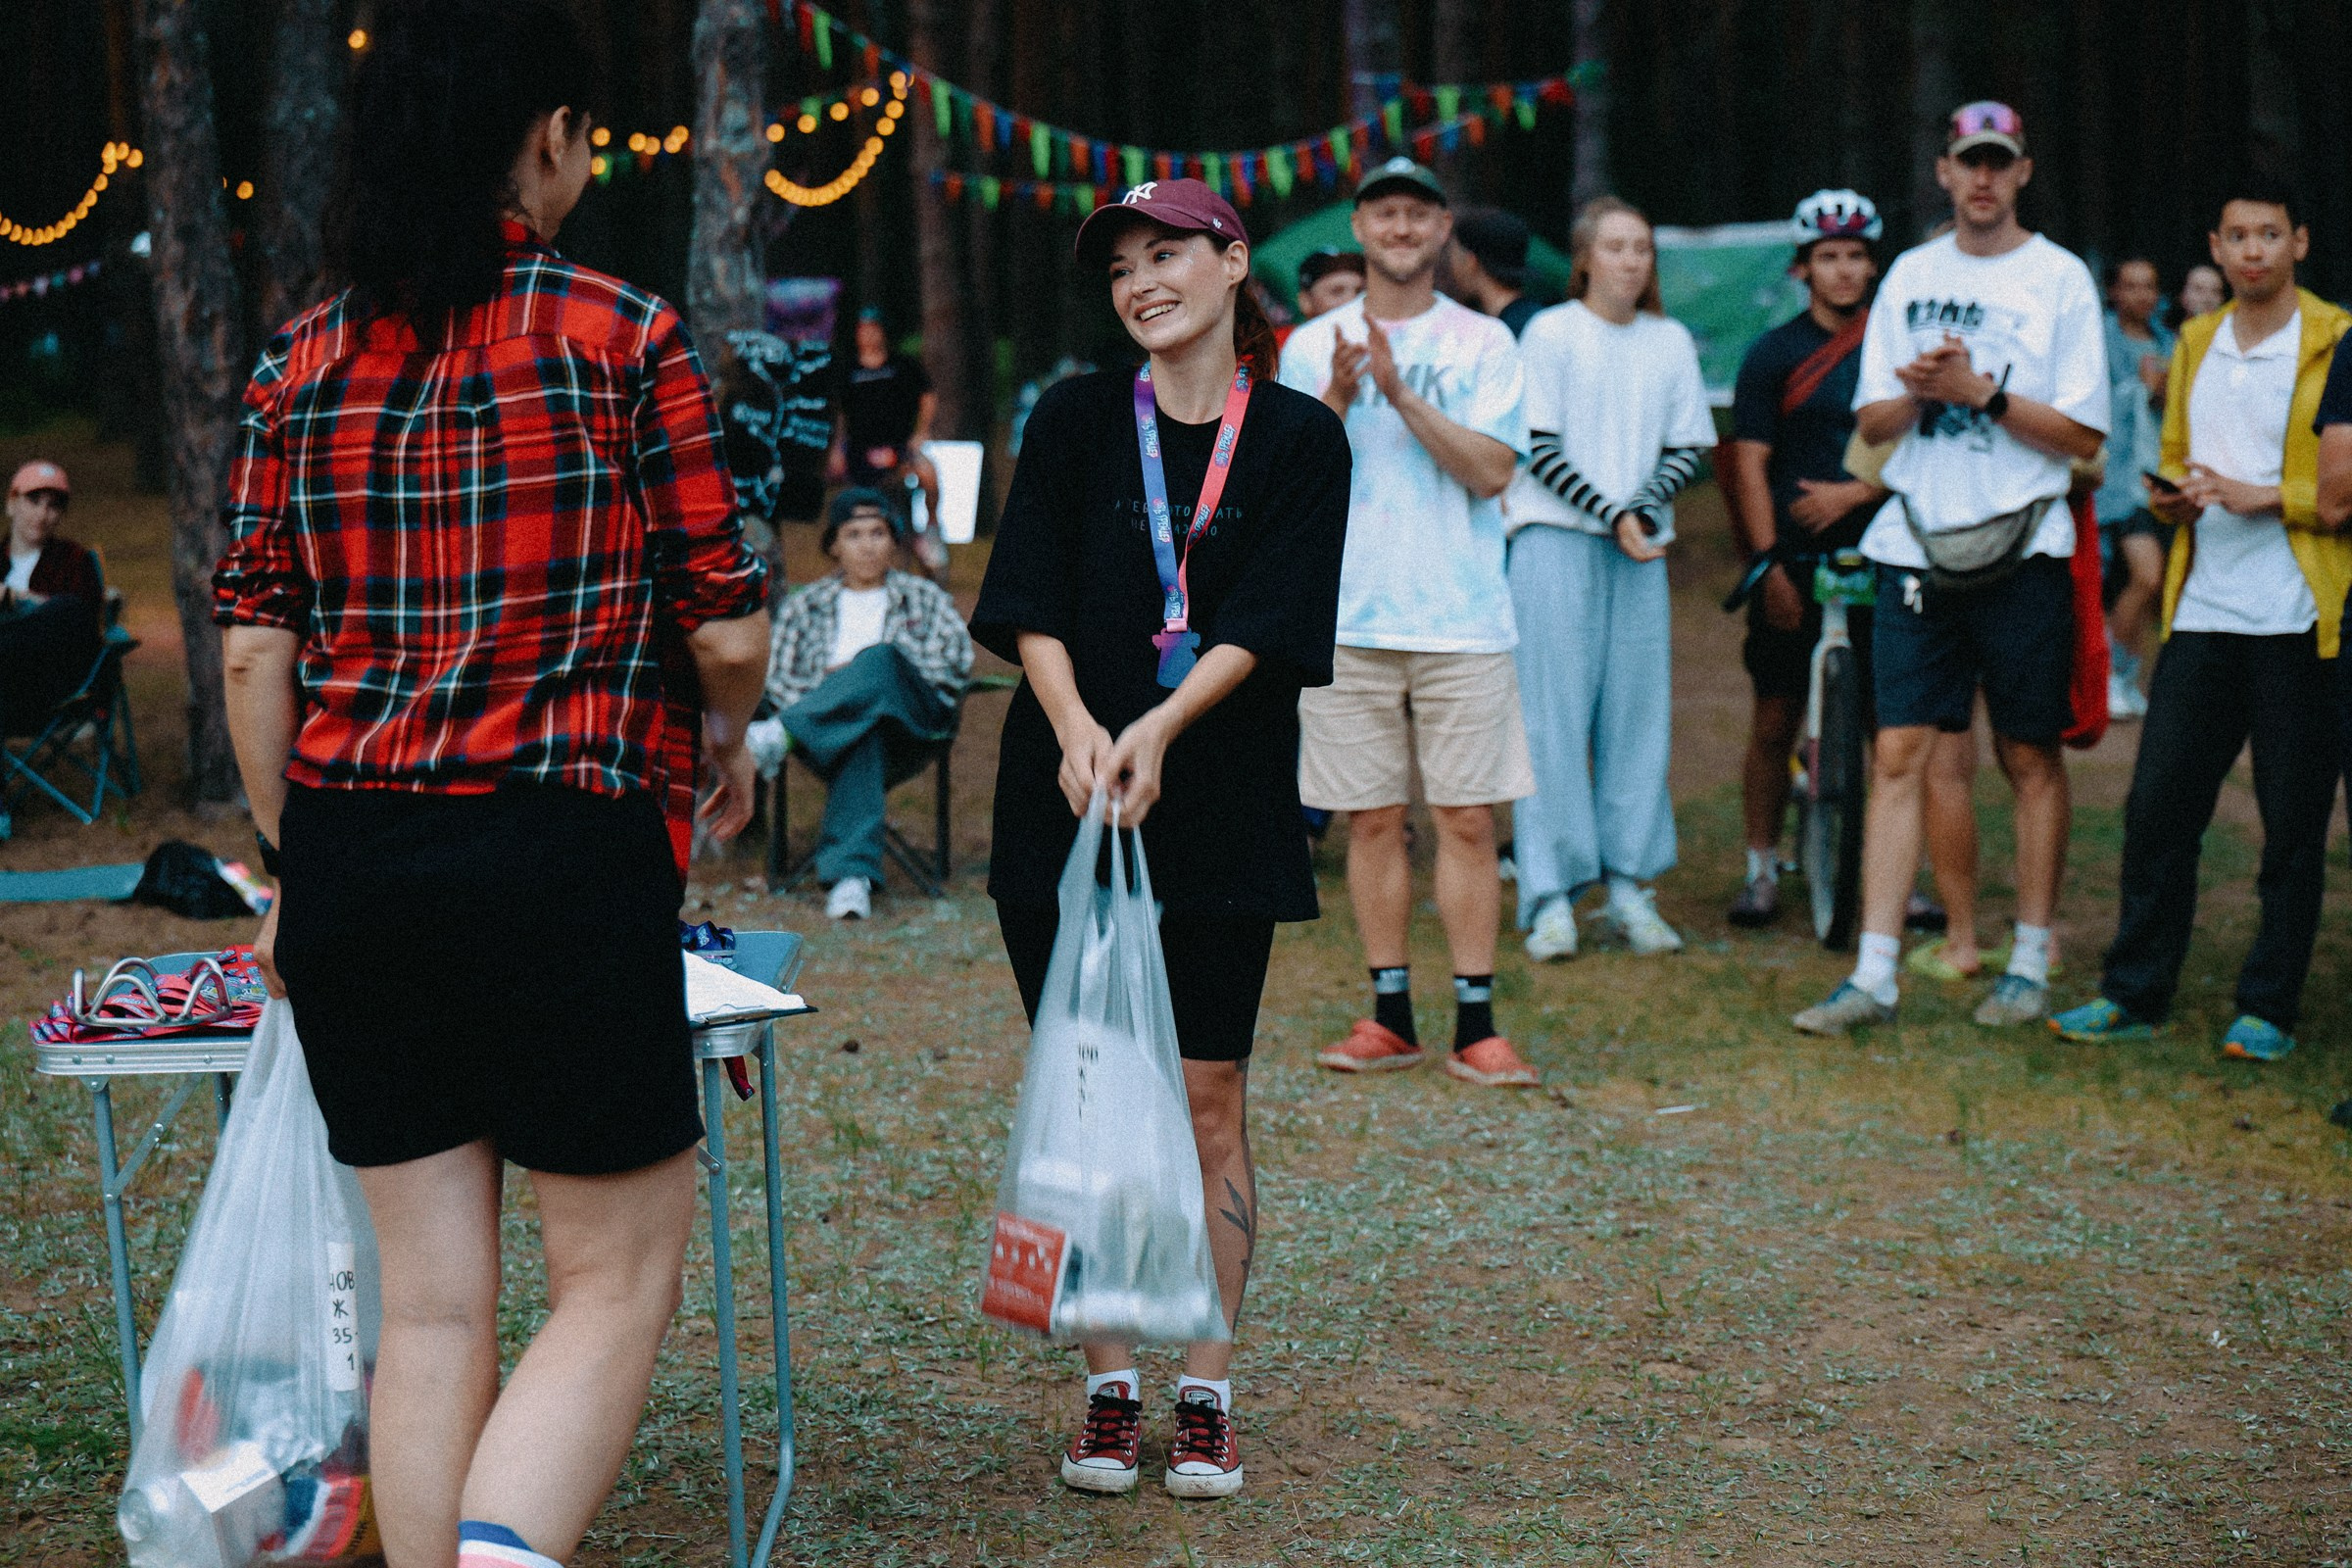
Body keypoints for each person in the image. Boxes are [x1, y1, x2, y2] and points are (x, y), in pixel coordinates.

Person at [213, 7, 772, 1567]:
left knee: (435, 1304)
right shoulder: (620, 329)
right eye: (582, 132)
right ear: (544, 138)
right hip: (560, 844)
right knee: (609, 1280)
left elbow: (257, 649)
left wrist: (295, 848)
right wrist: (723, 721)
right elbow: (723, 625)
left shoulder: (297, 358)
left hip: (358, 863)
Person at [971, 178, 1348, 1500]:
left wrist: (1165, 730)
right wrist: (1078, 727)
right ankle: (1108, 1386)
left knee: (1204, 1099)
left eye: (1169, 252)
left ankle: (1207, 1392)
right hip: (1065, 791)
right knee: (1087, 1094)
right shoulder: (1076, 419)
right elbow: (1024, 598)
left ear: (1235, 261)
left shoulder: (1302, 438)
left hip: (1221, 791)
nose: (1144, 281)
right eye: (1123, 264)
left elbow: (1271, 615)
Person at [1792, 100, 2107, 1037]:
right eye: (1967, 163)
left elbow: (2085, 435)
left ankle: (2031, 959)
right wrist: (1922, 390)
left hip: (2023, 546)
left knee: (2027, 753)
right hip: (1916, 545)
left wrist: (1985, 393)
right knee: (1897, 752)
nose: (1982, 179)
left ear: (2022, 172)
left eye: (1998, 163)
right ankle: (1874, 973)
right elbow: (1872, 423)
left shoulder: (2060, 281)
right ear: (1942, 173)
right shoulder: (1910, 278)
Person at [2053, 181, 2348, 1062]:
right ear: (2215, 249)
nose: (2253, 250)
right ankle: (2135, 989)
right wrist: (2175, 503)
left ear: (2298, 242)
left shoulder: (2336, 340)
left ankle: (2269, 1006)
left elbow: (2340, 498)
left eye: (2269, 234)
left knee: (2292, 825)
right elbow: (2176, 459)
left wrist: (2271, 497)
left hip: (2300, 618)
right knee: (2157, 811)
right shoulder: (2195, 342)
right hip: (2204, 610)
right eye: (2236, 236)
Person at [1277, 157, 1539, 1087]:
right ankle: (1389, 1014)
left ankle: (1477, 1021)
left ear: (1441, 234)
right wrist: (1343, 397)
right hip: (1346, 617)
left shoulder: (1486, 343)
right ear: (1359, 225)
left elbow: (1494, 472)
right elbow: (1286, 487)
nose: (1399, 228)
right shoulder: (1309, 345)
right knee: (1372, 820)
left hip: (1463, 615)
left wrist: (1400, 392)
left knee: (1468, 820)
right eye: (1383, 213)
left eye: (1417, 214)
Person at [1506, 197, 1712, 959]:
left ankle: (1629, 884)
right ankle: (1551, 894)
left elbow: (1688, 446)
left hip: (1637, 547)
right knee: (1550, 719)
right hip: (1555, 540)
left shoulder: (1669, 341)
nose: (1632, 261)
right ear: (1586, 257)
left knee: (1636, 713)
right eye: (1618, 247)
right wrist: (1609, 510)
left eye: (1644, 248)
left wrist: (1639, 508)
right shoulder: (1551, 333)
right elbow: (1536, 441)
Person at [1720, 191, 1890, 928]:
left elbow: (1916, 448)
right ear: (1803, 268)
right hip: (1792, 557)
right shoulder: (1772, 354)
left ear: (1873, 264)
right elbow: (1749, 464)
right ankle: (1760, 866)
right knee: (1775, 717)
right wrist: (1768, 562)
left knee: (1891, 728)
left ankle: (1891, 870)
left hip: (1882, 551)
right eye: (1828, 257)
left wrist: (1854, 495)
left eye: (1855, 256)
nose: (1843, 270)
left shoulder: (1892, 349)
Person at [761, 487, 972, 920]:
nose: (866, 544)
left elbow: (955, 663)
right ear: (834, 544)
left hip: (912, 727)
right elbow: (779, 680)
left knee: (879, 660)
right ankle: (851, 879)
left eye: (877, 532)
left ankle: (776, 735)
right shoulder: (805, 607)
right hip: (833, 738)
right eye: (853, 534)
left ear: (894, 542)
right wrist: (845, 696)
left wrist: (866, 674)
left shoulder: (924, 599)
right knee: (865, 729)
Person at [2093, 258, 2178, 718]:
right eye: (2131, 286)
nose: (2141, 296)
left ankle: (2124, 680)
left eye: (2149, 286)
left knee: (2149, 585)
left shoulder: (2170, 341)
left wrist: (2161, 390)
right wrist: (2137, 387)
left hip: (2158, 480)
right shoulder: (2100, 337)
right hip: (2114, 481)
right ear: (2115, 291)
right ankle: (2106, 677)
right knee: (2145, 577)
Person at [828, 306, 947, 571]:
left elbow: (927, 396)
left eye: (874, 330)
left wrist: (922, 431)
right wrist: (837, 448)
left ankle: (931, 529)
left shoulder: (903, 364)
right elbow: (838, 413)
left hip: (900, 447)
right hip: (861, 450)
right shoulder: (847, 370)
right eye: (863, 331)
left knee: (928, 474)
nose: (869, 336)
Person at [0, 459, 104, 731]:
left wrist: (19, 600)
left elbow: (83, 625)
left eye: (54, 505)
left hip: (46, 690)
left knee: (69, 610)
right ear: (12, 503)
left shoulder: (74, 560)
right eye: (34, 501)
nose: (43, 513)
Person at [1447, 207, 1543, 339]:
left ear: (1471, 261)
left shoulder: (1506, 332)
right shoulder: (1538, 319)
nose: (1452, 268)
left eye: (1453, 258)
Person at [1295, 247, 1366, 320]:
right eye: (1337, 292)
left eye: (1359, 291)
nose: (1352, 299)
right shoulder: (1300, 332)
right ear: (1306, 302)